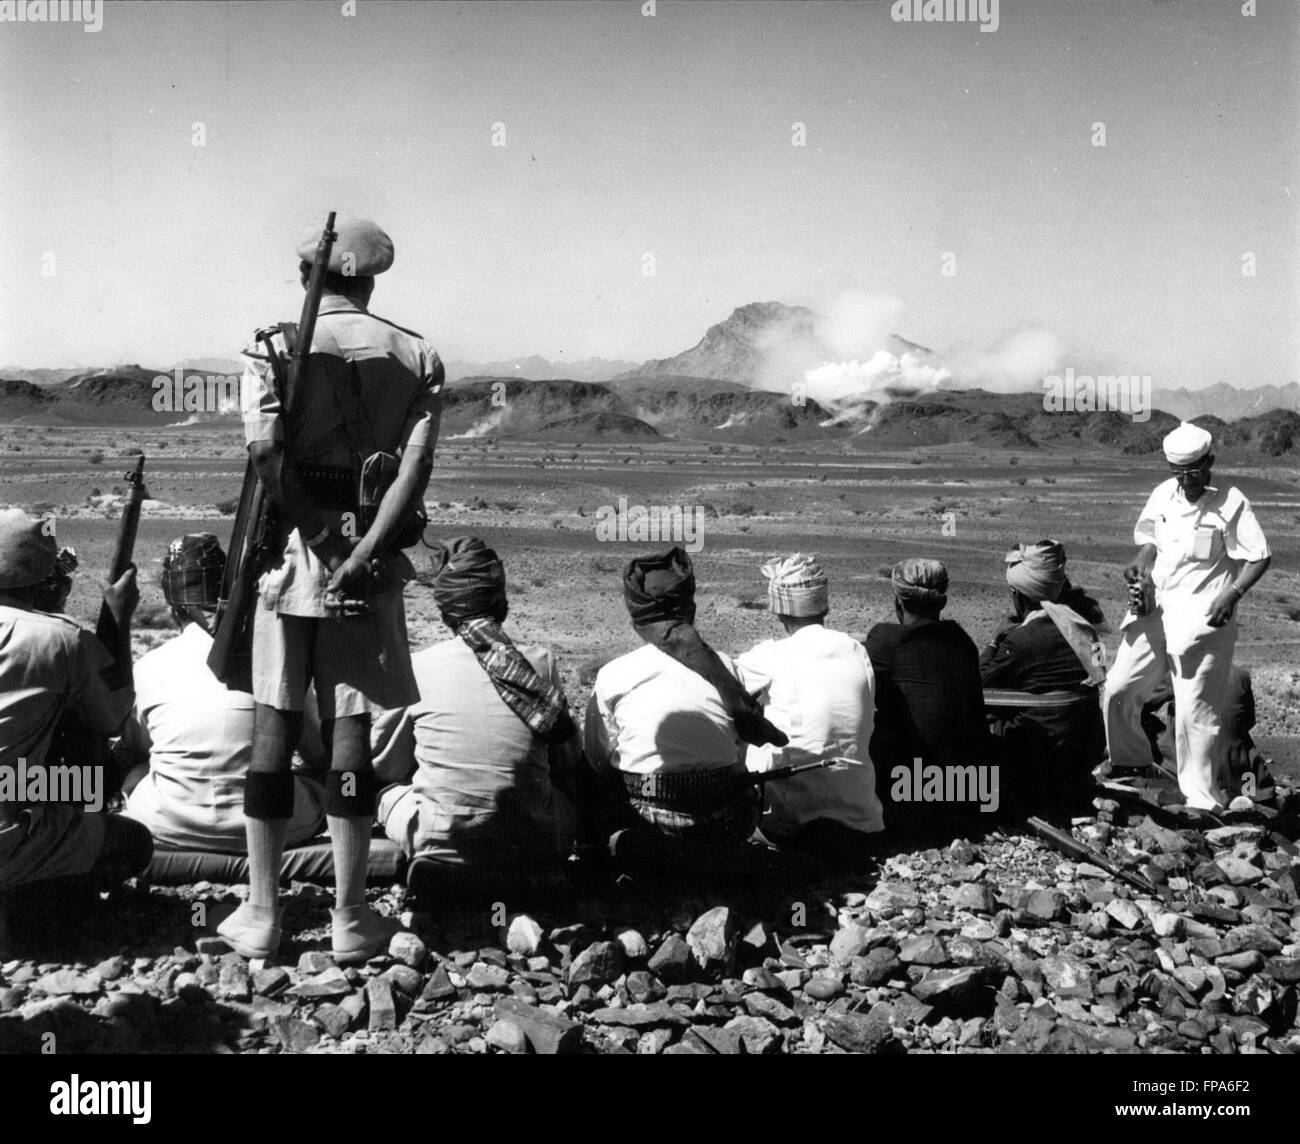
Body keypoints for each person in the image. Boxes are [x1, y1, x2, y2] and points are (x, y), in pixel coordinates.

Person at [218, 216, 443, 962]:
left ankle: (262, 913)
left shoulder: (273, 345)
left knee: (274, 728)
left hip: (291, 553)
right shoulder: (417, 354)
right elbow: (411, 477)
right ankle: (350, 917)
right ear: (371, 278)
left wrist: (316, 538)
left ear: (309, 273)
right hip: (366, 560)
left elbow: (265, 455)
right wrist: (363, 549)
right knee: (351, 737)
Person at [374, 537, 579, 898]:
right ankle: (527, 875)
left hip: (441, 837)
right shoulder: (541, 664)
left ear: (445, 608)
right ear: (501, 601)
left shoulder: (418, 667)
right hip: (533, 839)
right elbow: (566, 759)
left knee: (388, 792)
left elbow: (386, 766)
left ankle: (440, 862)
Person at [119, 535, 325, 852]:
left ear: (172, 607)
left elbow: (138, 746)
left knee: (137, 772)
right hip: (278, 826)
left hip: (167, 825)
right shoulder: (275, 657)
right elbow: (317, 752)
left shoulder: (147, 667)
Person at [1102, 422, 1271, 810]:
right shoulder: (1164, 495)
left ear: (1209, 461)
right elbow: (1149, 537)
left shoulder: (1231, 502)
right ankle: (1130, 763)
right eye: (1178, 471)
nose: (1186, 479)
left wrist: (1233, 593)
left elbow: (1259, 556)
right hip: (1155, 608)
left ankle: (1201, 800)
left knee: (1195, 709)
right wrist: (1141, 562)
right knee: (1120, 687)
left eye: (1193, 471)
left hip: (1202, 618)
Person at [0, 510, 151, 919]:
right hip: (7, 837)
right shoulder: (60, 639)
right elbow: (112, 719)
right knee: (134, 842)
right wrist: (117, 621)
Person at [584, 548, 762, 868]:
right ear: (690, 607)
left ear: (636, 612)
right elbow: (738, 760)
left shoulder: (615, 674)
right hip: (723, 824)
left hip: (644, 819)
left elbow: (598, 761)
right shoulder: (730, 671)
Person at [734, 553, 882, 853]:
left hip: (792, 826)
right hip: (863, 823)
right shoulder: (855, 650)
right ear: (824, 604)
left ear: (778, 610)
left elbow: (721, 685)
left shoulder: (773, 655)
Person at [980, 539, 1107, 811]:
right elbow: (1101, 672)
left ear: (1019, 595)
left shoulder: (1021, 641)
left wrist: (993, 642)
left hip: (1042, 755)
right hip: (1084, 750)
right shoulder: (1089, 631)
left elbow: (978, 683)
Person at [865, 559, 990, 831]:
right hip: (969, 793)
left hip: (908, 796)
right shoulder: (962, 640)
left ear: (898, 601)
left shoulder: (884, 641)